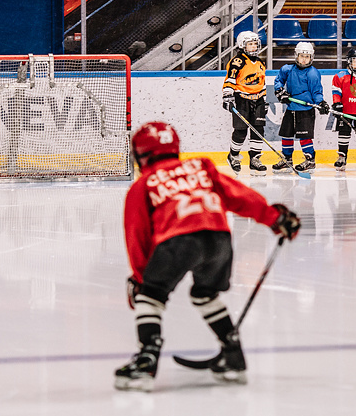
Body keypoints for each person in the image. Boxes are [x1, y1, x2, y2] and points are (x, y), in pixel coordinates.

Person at [114, 121, 301, 391]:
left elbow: (137, 235)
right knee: (205, 294)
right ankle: (233, 356)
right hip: (219, 238)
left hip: (177, 240)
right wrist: (274, 217)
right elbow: (238, 196)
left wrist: (140, 278)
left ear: (140, 153)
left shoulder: (143, 185)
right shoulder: (200, 167)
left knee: (151, 297)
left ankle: (146, 360)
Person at [272, 42, 329, 172]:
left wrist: (320, 103)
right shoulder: (288, 69)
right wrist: (280, 91)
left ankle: (310, 160)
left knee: (304, 136)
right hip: (291, 108)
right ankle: (287, 159)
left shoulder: (313, 73)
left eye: (307, 56)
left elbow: (316, 91)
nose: (304, 59)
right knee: (286, 135)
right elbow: (279, 80)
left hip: (305, 111)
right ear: (296, 56)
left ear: (311, 57)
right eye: (302, 56)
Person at [222, 31, 268, 176]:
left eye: (255, 44)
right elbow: (230, 80)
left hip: (258, 99)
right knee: (241, 130)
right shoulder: (238, 62)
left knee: (258, 130)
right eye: (250, 44)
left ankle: (255, 159)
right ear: (242, 46)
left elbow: (262, 82)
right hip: (242, 99)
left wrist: (264, 100)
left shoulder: (260, 62)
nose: (254, 47)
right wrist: (227, 97)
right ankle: (233, 156)